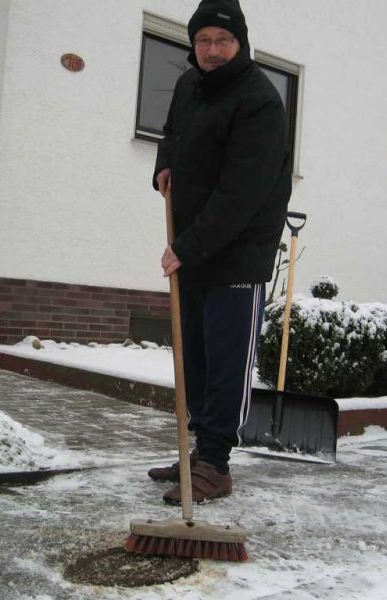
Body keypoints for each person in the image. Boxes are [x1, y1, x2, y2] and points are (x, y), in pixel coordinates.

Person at [148, 0, 292, 504]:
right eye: (203, 40)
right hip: (194, 246)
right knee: (196, 359)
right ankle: (197, 452)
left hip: (236, 252)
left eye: (222, 41)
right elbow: (172, 134)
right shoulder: (190, 85)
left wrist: (187, 246)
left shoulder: (259, 102)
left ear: (241, 44)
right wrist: (164, 166)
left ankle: (216, 464)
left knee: (227, 361)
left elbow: (241, 193)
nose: (211, 50)